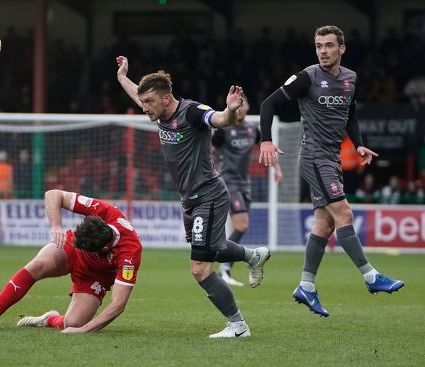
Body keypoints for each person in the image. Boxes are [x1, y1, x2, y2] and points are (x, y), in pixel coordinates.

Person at [116, 55, 270, 338]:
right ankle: (253, 255)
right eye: (144, 101)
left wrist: (230, 111)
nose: (144, 107)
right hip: (190, 198)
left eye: (149, 102)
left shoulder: (191, 112)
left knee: (199, 268)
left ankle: (238, 326)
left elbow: (219, 119)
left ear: (167, 98)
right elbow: (139, 96)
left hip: (209, 194)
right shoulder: (158, 110)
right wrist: (122, 77)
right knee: (214, 247)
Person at [259, 25, 404, 317]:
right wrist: (266, 140)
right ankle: (371, 276)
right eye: (318, 46)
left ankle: (306, 285)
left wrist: (359, 144)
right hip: (314, 157)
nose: (323, 51)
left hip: (332, 158)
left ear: (342, 48)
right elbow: (268, 104)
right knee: (345, 214)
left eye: (328, 45)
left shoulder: (351, 79)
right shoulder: (306, 77)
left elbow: (349, 113)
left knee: (324, 225)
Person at [0, 189, 142, 333]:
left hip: (95, 276)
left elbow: (118, 304)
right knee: (38, 265)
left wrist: (83, 330)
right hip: (72, 248)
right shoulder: (103, 210)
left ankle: (49, 319)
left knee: (73, 323)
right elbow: (53, 194)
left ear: (104, 249)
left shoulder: (130, 253)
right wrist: (56, 226)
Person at [212, 96, 283, 287]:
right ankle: (225, 267)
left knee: (241, 227)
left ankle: (225, 265)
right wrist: (214, 171)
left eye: (244, 104)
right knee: (242, 225)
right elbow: (212, 150)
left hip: (245, 184)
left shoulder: (253, 129)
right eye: (238, 105)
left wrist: (277, 169)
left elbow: (266, 149)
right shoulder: (224, 130)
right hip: (228, 182)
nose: (241, 108)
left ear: (248, 107)